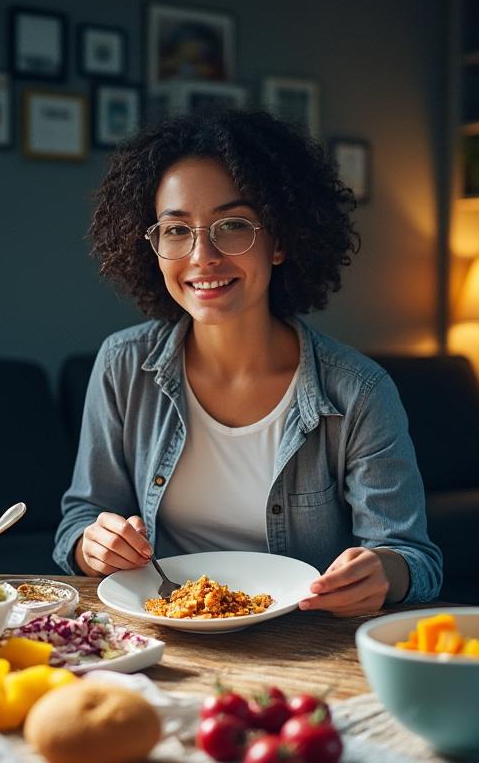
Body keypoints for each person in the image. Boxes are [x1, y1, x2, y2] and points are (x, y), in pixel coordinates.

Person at [55, 110, 442, 616]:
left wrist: (383, 572)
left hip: (305, 643)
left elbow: (416, 558)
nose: (202, 256)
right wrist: (93, 545)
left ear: (279, 240)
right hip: (165, 632)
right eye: (176, 231)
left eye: (233, 225)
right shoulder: (122, 365)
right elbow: (79, 519)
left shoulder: (360, 391)